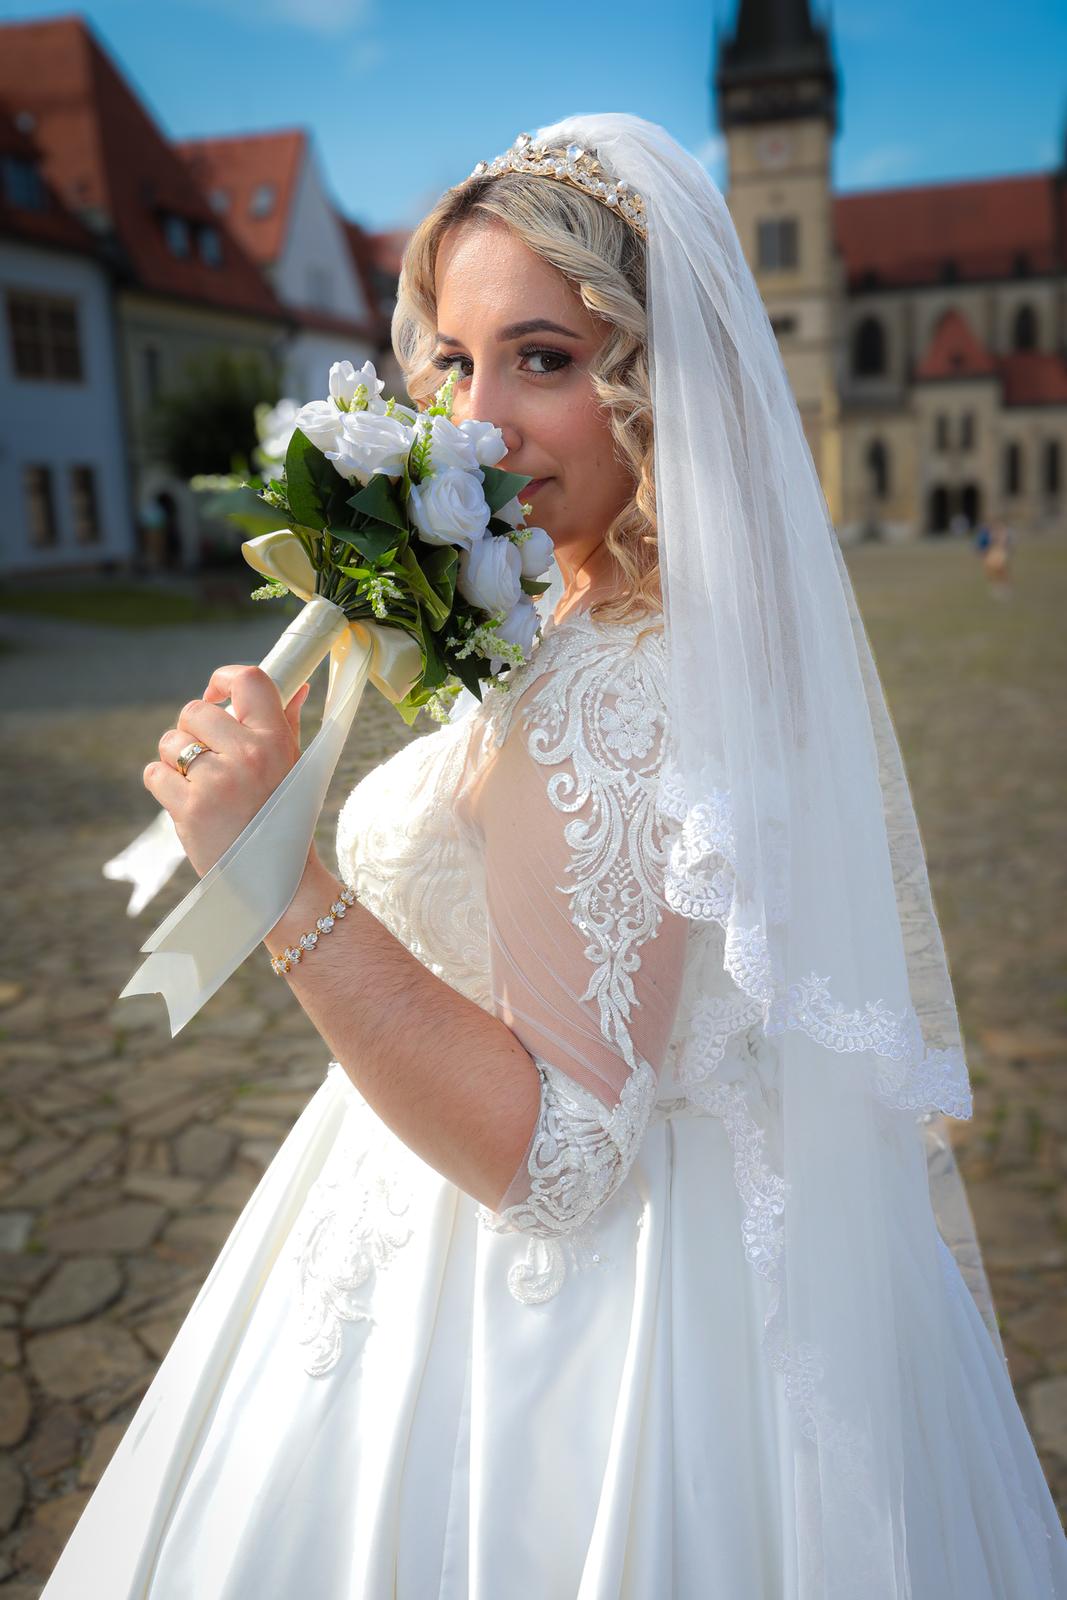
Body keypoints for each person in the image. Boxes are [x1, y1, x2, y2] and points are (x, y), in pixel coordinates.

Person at [40, 114, 1067, 1598]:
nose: (479, 424)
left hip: (577, 1330)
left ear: (658, 375)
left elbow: (563, 1156)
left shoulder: (622, 679)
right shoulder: (603, 610)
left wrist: (279, 878)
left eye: (545, 358)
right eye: (455, 364)